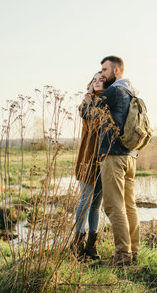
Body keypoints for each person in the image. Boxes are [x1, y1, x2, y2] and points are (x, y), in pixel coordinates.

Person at [80, 56, 140, 266]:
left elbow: (87, 113)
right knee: (129, 206)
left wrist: (89, 94)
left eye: (104, 70)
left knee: (114, 208)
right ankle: (134, 250)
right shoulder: (132, 91)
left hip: (114, 158)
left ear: (116, 71)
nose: (102, 74)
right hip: (131, 157)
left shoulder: (114, 91)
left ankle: (123, 256)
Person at [71, 72, 106, 260]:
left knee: (96, 205)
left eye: (102, 80)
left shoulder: (109, 101)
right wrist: (91, 94)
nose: (98, 82)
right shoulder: (87, 102)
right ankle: (77, 243)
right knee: (85, 201)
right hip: (88, 158)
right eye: (95, 80)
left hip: (103, 160)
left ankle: (91, 246)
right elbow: (88, 114)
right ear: (90, 84)